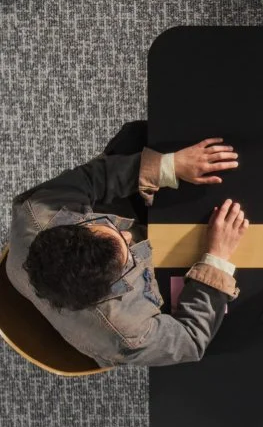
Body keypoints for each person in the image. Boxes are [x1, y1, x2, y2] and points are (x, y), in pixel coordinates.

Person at [6, 130, 248, 368]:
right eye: (125, 258)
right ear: (110, 288)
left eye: (105, 227)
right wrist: (216, 257)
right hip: (141, 297)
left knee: (137, 136)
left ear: (70, 226)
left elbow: (91, 178)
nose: (128, 234)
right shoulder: (126, 334)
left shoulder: (38, 210)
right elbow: (190, 340)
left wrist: (170, 166)